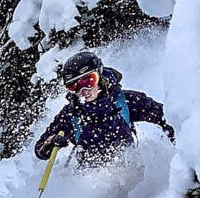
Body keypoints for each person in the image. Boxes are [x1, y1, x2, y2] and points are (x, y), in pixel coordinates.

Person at [34, 51, 174, 167]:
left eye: (88, 81)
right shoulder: (71, 114)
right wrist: (50, 143)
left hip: (129, 172)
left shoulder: (125, 101)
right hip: (89, 180)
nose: (83, 90)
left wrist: (180, 147)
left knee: (124, 178)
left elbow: (167, 117)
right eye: (74, 86)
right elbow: (40, 150)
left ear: (100, 77)